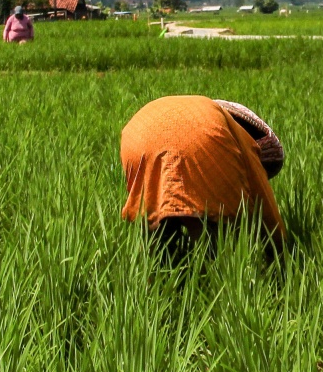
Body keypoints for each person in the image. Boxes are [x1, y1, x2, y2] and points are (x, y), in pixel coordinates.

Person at [120, 95, 284, 262]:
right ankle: (209, 277)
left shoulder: (202, 112)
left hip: (136, 135)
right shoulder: (243, 140)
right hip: (202, 141)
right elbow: (264, 202)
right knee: (211, 223)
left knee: (157, 217)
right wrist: (280, 254)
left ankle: (153, 277)